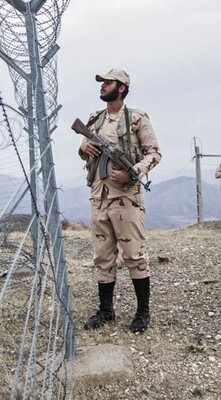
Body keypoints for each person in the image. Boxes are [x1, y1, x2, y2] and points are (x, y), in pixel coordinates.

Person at [78, 68, 162, 333]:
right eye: (102, 82)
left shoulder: (137, 118)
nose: (102, 86)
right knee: (102, 257)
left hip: (125, 197)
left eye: (108, 82)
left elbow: (155, 153)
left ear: (122, 87)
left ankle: (142, 312)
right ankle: (106, 311)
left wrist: (133, 171)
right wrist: (83, 148)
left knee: (134, 256)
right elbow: (84, 151)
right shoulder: (95, 119)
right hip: (98, 196)